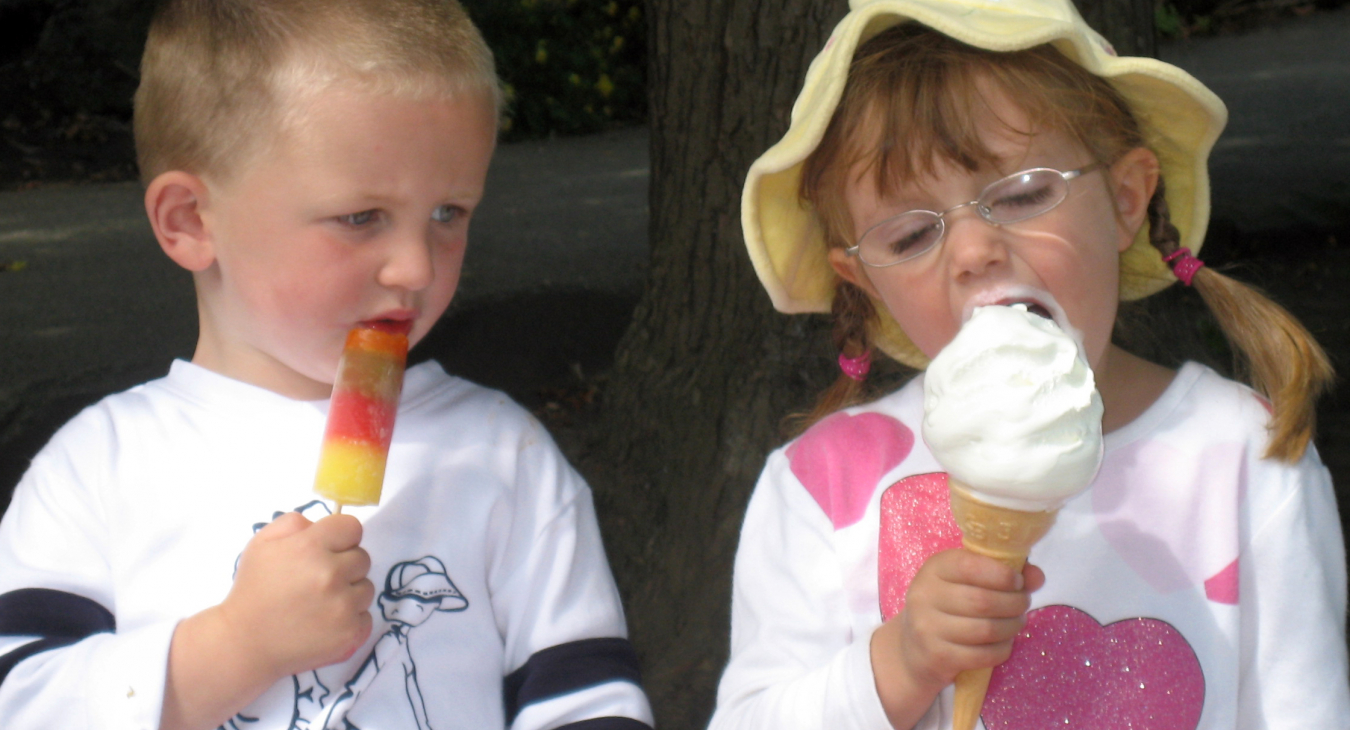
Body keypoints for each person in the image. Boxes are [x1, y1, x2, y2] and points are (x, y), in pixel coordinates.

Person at [0, 2, 653, 729]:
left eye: (448, 213)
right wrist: (232, 647)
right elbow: (22, 701)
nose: (414, 267)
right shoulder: (101, 467)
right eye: (360, 217)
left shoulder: (504, 457)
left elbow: (586, 700)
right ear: (189, 220)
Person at [713, 0, 1348, 728]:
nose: (974, 250)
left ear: (1125, 198)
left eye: (1023, 194)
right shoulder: (822, 486)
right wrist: (902, 660)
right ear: (864, 282)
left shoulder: (1244, 455)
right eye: (913, 232)